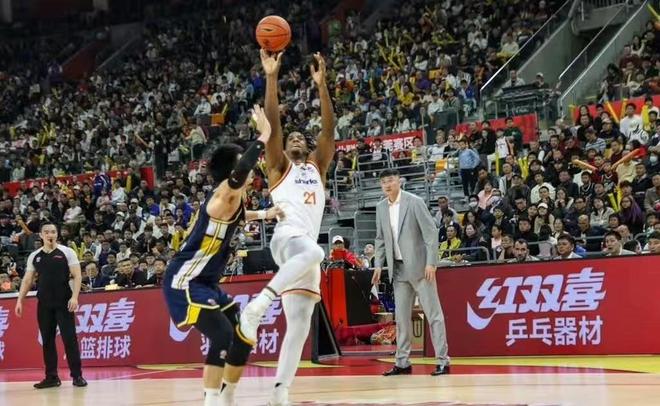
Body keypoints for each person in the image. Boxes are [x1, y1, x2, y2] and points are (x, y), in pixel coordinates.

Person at [163, 105, 282, 406]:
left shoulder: (233, 200)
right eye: (242, 163)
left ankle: (227, 393)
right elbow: (240, 174)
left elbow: (240, 215)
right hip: (185, 280)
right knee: (221, 335)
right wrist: (264, 135)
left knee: (242, 332)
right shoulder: (224, 194)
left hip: (206, 282)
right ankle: (212, 400)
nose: (250, 167)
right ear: (232, 171)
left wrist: (266, 214)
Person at [238, 50, 335, 406]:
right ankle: (259, 304)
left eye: (299, 138)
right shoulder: (279, 167)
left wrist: (322, 86)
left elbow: (329, 129)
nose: (293, 139)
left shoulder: (317, 167)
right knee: (316, 251)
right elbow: (274, 126)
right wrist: (271, 76)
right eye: (290, 138)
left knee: (299, 325)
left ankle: (280, 393)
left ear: (307, 147)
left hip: (303, 253)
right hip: (286, 239)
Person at [372, 169, 450, 376]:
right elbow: (380, 239)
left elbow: (431, 233)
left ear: (399, 181)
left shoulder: (414, 202)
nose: (387, 184)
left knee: (433, 315)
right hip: (398, 269)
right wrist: (378, 264)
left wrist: (431, 263)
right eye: (383, 182)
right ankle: (402, 362)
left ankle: (443, 360)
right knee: (401, 319)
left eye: (390, 180)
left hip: (421, 268)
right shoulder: (381, 207)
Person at [14, 222, 87, 389]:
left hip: (64, 302)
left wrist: (75, 297)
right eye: (46, 232)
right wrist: (20, 300)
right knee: (47, 340)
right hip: (44, 304)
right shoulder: (35, 256)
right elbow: (27, 279)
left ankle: (77, 376)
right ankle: (52, 377)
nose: (50, 235)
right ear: (41, 235)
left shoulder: (67, 252)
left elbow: (77, 276)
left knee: (69, 339)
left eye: (53, 232)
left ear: (57, 234)